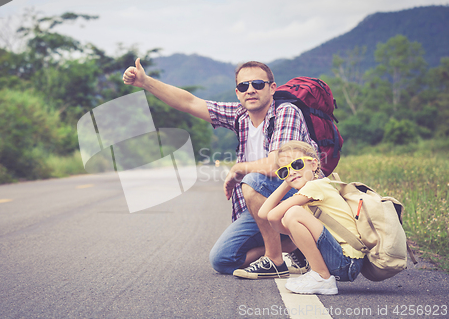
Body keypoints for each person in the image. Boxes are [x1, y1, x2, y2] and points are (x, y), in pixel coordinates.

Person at [123, 59, 317, 279]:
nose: (250, 90)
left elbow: (277, 166)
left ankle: (275, 261)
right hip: (263, 203)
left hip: (298, 197)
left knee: (252, 179)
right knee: (223, 260)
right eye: (244, 86)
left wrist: (239, 169)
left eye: (258, 84)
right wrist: (146, 82)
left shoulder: (286, 112)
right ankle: (293, 245)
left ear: (272, 88)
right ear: (237, 92)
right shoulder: (240, 115)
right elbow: (189, 102)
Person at [258, 141, 365, 294]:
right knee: (291, 216)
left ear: (313, 164)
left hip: (347, 262)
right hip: (342, 263)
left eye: (296, 165)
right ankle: (320, 274)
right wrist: (289, 180)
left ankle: (322, 277)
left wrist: (285, 226)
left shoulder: (315, 186)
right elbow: (263, 214)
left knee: (292, 213)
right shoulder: (306, 191)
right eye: (284, 171)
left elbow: (272, 215)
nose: (292, 172)